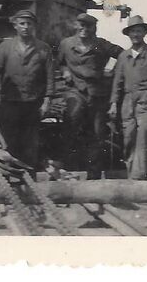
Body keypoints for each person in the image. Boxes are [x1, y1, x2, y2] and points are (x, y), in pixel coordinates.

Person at [0, 10, 54, 169]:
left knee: (30, 141)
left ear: (34, 26)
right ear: (15, 26)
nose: (26, 27)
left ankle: (29, 175)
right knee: (9, 139)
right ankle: (11, 175)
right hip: (9, 101)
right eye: (22, 23)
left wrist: (47, 101)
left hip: (33, 102)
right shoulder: (5, 47)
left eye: (29, 24)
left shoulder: (43, 48)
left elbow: (50, 77)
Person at [58, 13, 124, 178]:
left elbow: (122, 55)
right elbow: (60, 62)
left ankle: (93, 175)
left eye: (88, 26)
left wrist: (112, 72)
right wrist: (65, 71)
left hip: (97, 93)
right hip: (75, 90)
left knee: (97, 133)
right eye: (81, 25)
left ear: (94, 28)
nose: (84, 29)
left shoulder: (101, 44)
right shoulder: (66, 44)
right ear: (76, 26)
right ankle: (69, 169)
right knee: (72, 120)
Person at [108, 15, 147, 180]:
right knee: (128, 138)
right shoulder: (123, 56)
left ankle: (137, 176)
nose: (135, 35)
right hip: (128, 102)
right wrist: (113, 103)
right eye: (132, 31)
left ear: (144, 33)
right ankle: (131, 170)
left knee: (143, 135)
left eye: (139, 31)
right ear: (128, 34)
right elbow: (117, 82)